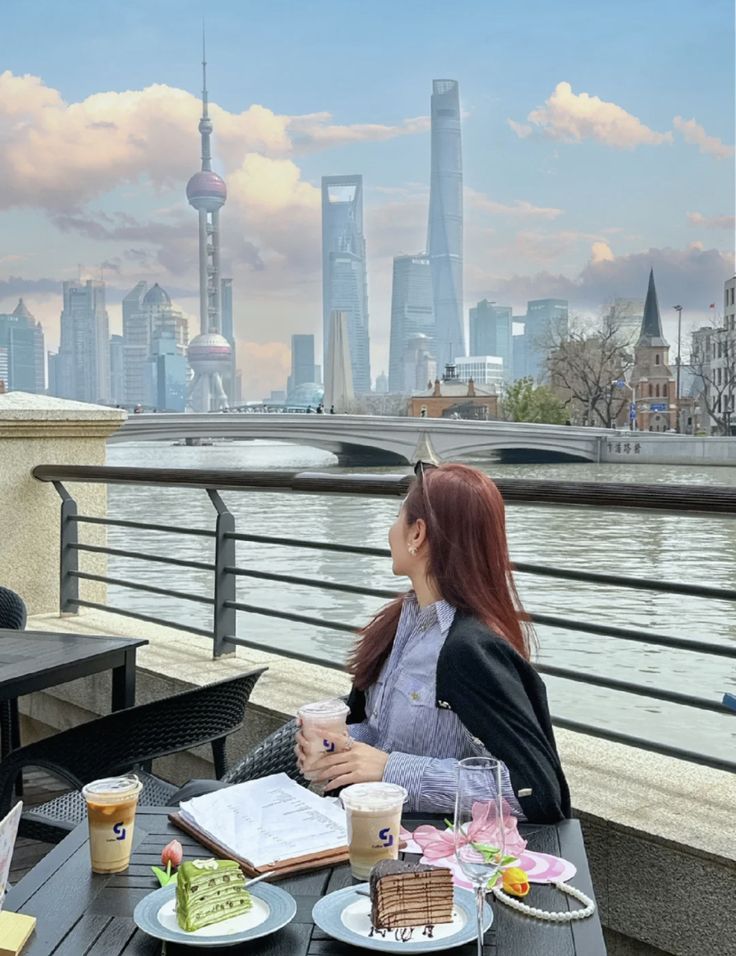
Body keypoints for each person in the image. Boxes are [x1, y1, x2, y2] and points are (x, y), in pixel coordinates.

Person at [297, 462, 570, 823]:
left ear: (417, 534)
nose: (390, 531)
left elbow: (537, 793)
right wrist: (333, 745)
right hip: (375, 831)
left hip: (443, 856)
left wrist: (391, 770)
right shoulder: (399, 624)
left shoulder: (469, 649)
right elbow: (379, 733)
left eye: (398, 518)